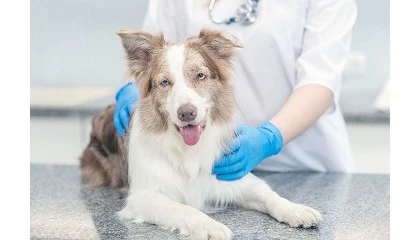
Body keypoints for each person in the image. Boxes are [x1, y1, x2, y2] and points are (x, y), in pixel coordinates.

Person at [113, 0, 358, 180]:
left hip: (306, 167)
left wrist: (268, 139)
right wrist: (129, 90)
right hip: (209, 166)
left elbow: (319, 82)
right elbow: (151, 57)